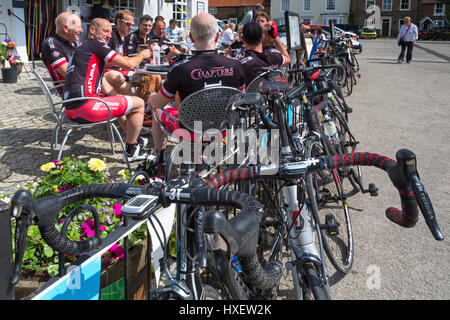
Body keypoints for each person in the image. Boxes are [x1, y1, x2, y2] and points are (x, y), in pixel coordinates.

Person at [147, 13, 246, 172]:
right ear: (218, 35)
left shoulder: (180, 69)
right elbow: (241, 99)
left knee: (156, 108)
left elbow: (159, 102)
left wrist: (151, 97)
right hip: (223, 127)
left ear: (191, 38)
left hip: (189, 128)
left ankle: (160, 159)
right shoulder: (236, 66)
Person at [62, 18, 152, 162]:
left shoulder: (81, 47)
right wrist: (142, 55)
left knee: (123, 96)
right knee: (139, 103)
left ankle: (134, 137)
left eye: (110, 32)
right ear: (92, 30)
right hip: (86, 106)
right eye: (105, 31)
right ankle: (131, 151)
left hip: (69, 108)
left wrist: (115, 95)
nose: (109, 35)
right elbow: (128, 64)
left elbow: (108, 65)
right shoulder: (94, 43)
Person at [239, 22, 288, 86]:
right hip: (272, 93)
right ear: (262, 37)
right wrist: (275, 36)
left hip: (250, 95)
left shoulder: (240, 64)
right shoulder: (275, 55)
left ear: (243, 39)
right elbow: (288, 58)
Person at [41, 12, 82, 82]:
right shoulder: (52, 43)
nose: (81, 30)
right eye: (78, 27)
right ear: (66, 28)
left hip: (81, 82)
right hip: (71, 88)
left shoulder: (71, 42)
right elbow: (69, 73)